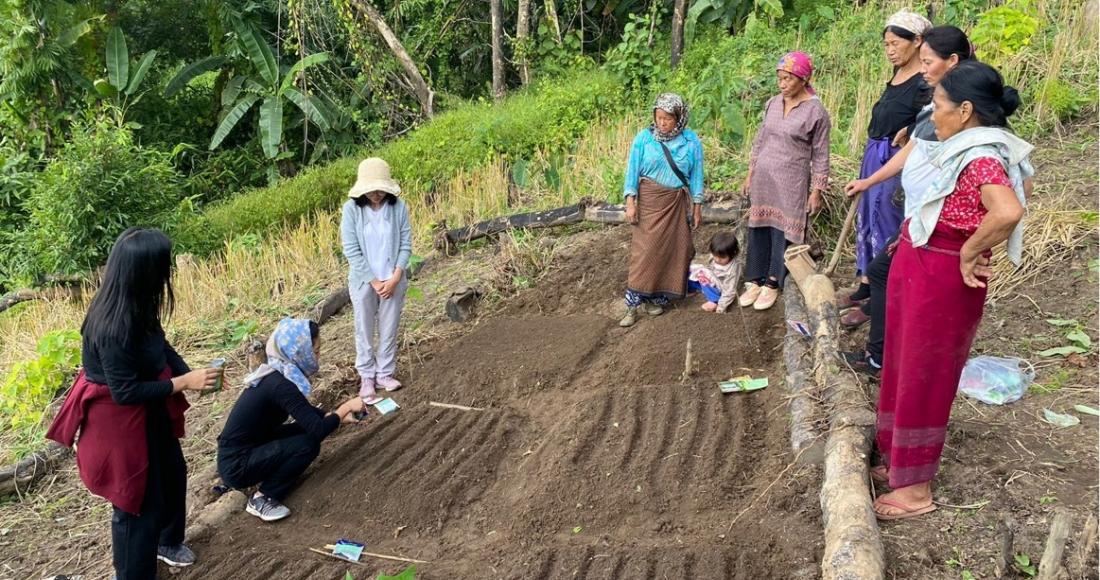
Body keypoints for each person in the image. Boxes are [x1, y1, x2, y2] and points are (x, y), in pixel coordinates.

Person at [872, 61, 1032, 520]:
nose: (932, 113)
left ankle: (916, 489)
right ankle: (900, 462)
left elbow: (1006, 210)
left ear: (964, 110)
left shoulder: (982, 155)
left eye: (937, 105)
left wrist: (970, 250)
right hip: (921, 266)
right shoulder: (965, 149)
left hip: (942, 277)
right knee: (904, 363)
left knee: (926, 373)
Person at [841, 26, 1035, 374]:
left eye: (928, 61)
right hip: (919, 224)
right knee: (888, 278)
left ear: (954, 62)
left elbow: (1015, 194)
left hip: (936, 237)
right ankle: (889, 356)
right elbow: (916, 149)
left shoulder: (977, 137)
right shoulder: (941, 107)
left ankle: (885, 357)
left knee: (889, 280)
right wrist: (870, 180)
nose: (923, 68)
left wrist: (972, 246)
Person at [46, 228, 220, 579]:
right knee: (137, 501)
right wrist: (182, 383)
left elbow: (161, 347)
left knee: (172, 474)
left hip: (148, 406)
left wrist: (194, 375)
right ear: (145, 271)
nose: (169, 272)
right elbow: (124, 392)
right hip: (117, 418)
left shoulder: (140, 302)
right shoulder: (111, 326)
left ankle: (167, 544)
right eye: (164, 265)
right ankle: (131, 574)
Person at [217, 318, 366, 522]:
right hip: (237, 464)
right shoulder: (279, 384)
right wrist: (344, 409)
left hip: (252, 445)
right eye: (315, 351)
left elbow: (305, 413)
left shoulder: (277, 375)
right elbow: (318, 430)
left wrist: (335, 416)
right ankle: (263, 497)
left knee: (303, 431)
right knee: (308, 444)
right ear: (299, 352)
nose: (318, 356)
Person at [845, 11, 933, 309]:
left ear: (918, 41)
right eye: (886, 45)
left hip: (897, 157)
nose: (890, 50)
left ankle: (884, 291)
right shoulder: (898, 73)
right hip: (876, 152)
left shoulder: (925, 79)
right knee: (869, 216)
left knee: (887, 217)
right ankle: (868, 281)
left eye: (896, 43)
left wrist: (911, 128)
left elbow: (929, 117)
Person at [738, 51, 830, 311]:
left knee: (783, 230)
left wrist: (817, 191)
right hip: (764, 178)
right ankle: (755, 278)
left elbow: (821, 154)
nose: (782, 84)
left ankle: (773, 282)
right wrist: (750, 174)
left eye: (788, 79)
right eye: (779, 78)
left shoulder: (816, 112)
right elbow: (760, 141)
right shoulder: (772, 103)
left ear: (803, 79)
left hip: (791, 181)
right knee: (759, 225)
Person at [619, 93, 705, 327]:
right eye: (659, 117)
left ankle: (655, 299)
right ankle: (633, 304)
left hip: (676, 204)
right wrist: (631, 201)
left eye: (668, 118)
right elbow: (632, 172)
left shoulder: (690, 141)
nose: (663, 122)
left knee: (671, 250)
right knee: (644, 252)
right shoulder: (644, 139)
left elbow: (697, 176)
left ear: (679, 118)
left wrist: (697, 207)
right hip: (649, 202)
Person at [341, 158, 413, 400]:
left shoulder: (398, 208)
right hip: (364, 282)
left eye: (381, 190)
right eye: (372, 190)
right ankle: (367, 377)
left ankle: (385, 373)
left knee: (389, 327)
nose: (377, 195)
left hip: (393, 278)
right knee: (364, 329)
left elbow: (405, 245)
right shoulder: (351, 210)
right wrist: (374, 281)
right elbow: (351, 250)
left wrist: (394, 278)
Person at [688, 231, 742, 313]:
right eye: (715, 255)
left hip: (720, 287)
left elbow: (730, 290)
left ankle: (714, 299)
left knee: (702, 273)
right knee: (689, 270)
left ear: (732, 254)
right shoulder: (716, 256)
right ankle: (690, 289)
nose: (717, 259)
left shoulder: (733, 269)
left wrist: (721, 307)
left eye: (722, 257)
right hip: (711, 281)